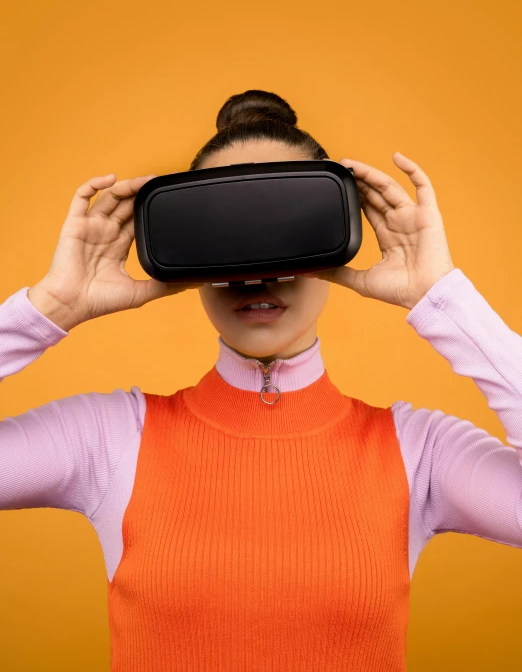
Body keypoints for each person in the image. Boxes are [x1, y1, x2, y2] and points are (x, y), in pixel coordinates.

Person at [1, 89, 521, 671]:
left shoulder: (420, 451)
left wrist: (443, 299)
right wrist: (50, 307)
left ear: (340, 234)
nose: (258, 271)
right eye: (226, 235)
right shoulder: (107, 438)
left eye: (286, 230)